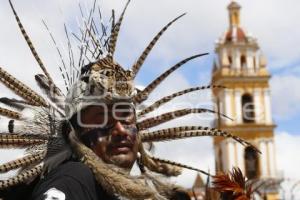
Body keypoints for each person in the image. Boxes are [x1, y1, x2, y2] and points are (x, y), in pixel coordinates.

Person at [0, 1, 256, 199]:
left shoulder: (120, 189)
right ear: (74, 134)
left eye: (125, 115)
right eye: (100, 116)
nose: (120, 129)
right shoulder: (74, 179)